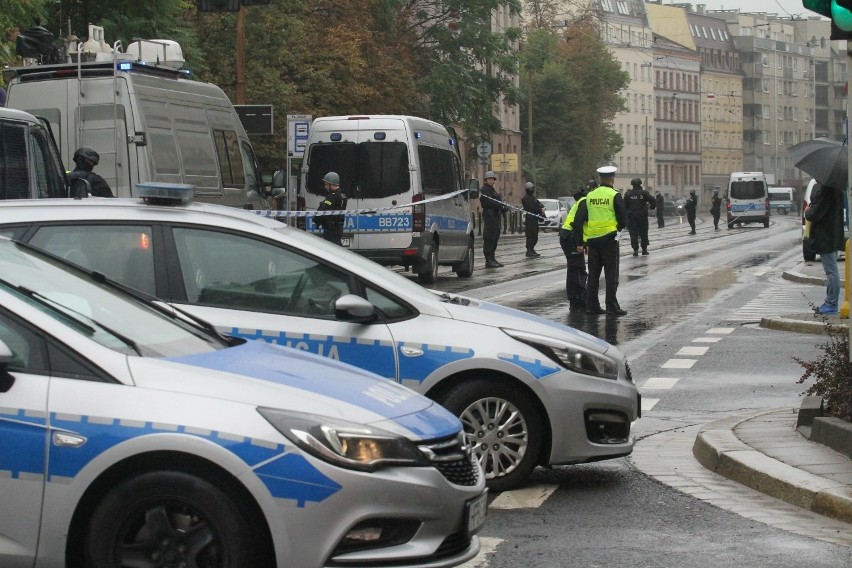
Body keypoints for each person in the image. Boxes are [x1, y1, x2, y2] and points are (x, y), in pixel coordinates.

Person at [572, 165, 628, 316]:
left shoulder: (589, 196)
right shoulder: (614, 195)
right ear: (612, 179)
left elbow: (578, 220)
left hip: (593, 241)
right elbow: (623, 218)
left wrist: (579, 242)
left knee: (593, 274)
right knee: (611, 274)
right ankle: (611, 306)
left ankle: (592, 306)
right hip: (609, 240)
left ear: (599, 178)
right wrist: (617, 229)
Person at [805, 181, 845, 314]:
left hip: (825, 236)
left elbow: (814, 213)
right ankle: (830, 302)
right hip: (832, 234)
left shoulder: (825, 190)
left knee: (831, 271)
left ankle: (831, 303)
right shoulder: (836, 188)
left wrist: (808, 210)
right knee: (832, 270)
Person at [559, 185, 588, 310]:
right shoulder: (584, 203)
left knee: (573, 269)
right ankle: (578, 301)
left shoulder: (578, 203)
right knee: (578, 269)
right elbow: (577, 224)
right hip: (571, 238)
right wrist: (579, 244)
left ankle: (574, 300)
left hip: (567, 236)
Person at [480, 171, 508, 268]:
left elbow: (498, 201)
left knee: (495, 237)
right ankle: (488, 259)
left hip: (495, 215)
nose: (491, 181)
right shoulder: (484, 190)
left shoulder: (493, 190)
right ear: (486, 180)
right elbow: (490, 202)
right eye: (489, 179)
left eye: (493, 179)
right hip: (489, 215)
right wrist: (500, 206)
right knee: (489, 237)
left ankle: (492, 257)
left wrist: (504, 207)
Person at [624, 178, 655, 255]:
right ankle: (644, 249)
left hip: (632, 217)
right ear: (640, 184)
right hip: (642, 216)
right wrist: (651, 207)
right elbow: (653, 200)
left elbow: (624, 206)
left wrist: (627, 213)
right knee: (643, 232)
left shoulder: (628, 194)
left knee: (633, 234)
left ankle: (635, 250)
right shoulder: (644, 193)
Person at [315, 171, 347, 245]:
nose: (325, 187)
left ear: (331, 184)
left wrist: (316, 219)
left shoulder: (332, 197)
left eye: (326, 184)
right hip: (338, 228)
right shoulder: (343, 194)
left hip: (331, 230)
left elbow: (322, 211)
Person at [521, 181, 544, 258]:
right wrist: (539, 209)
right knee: (530, 235)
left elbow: (538, 203)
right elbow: (531, 207)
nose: (531, 190)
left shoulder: (533, 197)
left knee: (535, 235)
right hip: (530, 218)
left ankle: (532, 249)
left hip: (535, 219)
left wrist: (542, 207)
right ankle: (529, 250)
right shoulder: (525, 198)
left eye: (532, 188)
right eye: (530, 188)